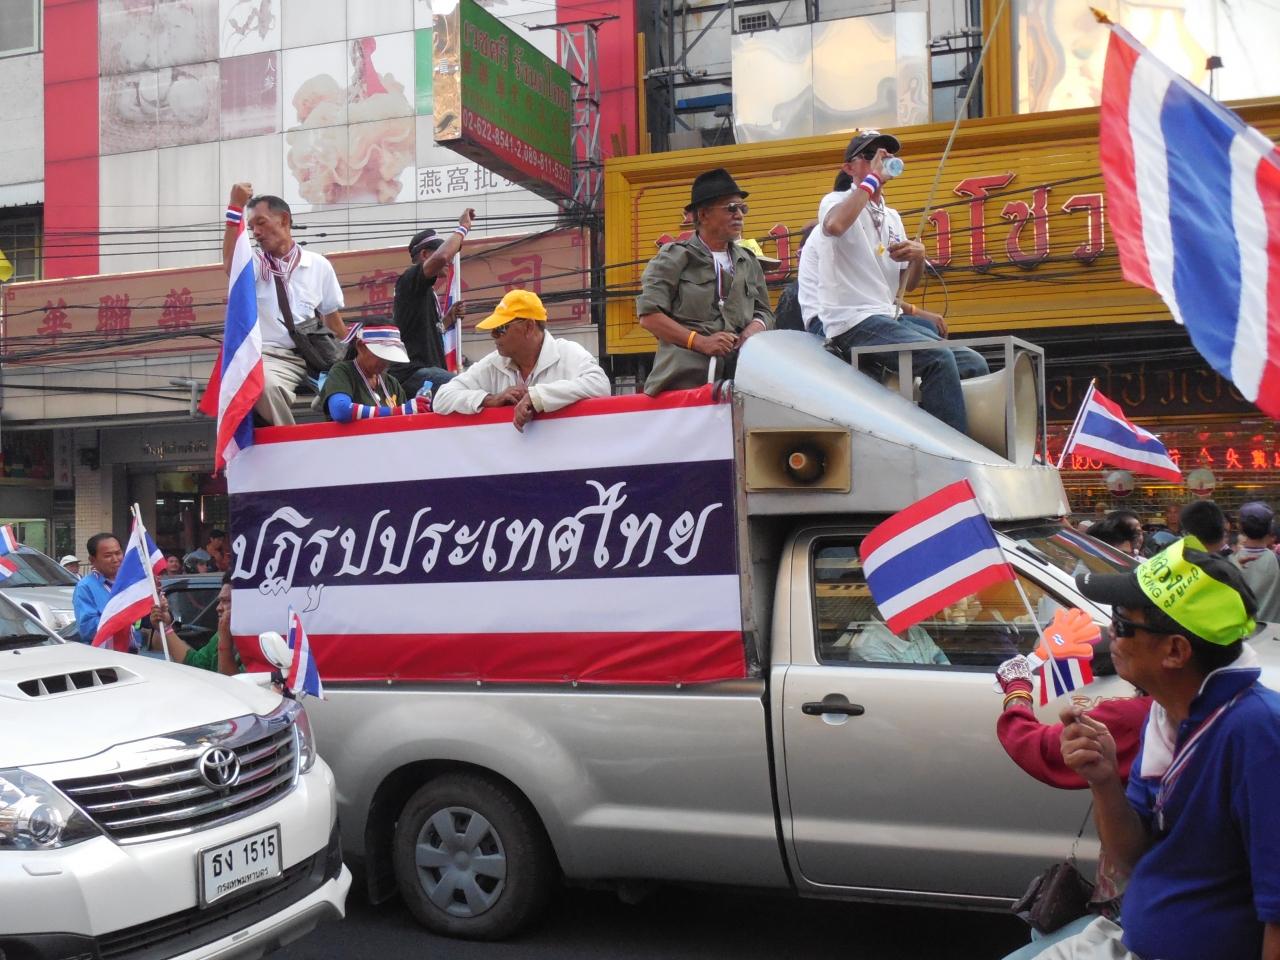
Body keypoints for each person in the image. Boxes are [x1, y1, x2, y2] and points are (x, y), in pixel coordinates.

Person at [1035, 536, 1280, 960]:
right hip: (1131, 935)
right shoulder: (1167, 715)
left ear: (1175, 651)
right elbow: (1132, 858)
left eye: (1123, 624)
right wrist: (1103, 780)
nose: (1110, 633)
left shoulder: (1258, 732)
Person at [813, 130, 969, 433]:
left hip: (886, 317)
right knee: (938, 358)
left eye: (885, 154)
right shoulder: (835, 200)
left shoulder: (892, 216)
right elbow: (835, 225)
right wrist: (871, 179)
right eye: (869, 155)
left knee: (971, 362)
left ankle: (955, 433)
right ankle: (951, 450)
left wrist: (918, 256)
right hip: (852, 321)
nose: (880, 160)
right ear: (848, 168)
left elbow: (907, 286)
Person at [636, 167, 773, 394]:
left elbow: (765, 312)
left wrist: (753, 329)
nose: (739, 215)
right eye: (731, 208)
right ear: (703, 215)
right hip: (684, 382)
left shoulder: (748, 261)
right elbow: (649, 317)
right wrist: (700, 342)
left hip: (739, 380)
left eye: (743, 208)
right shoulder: (674, 257)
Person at [223, 182, 346, 425]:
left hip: (317, 354)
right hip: (273, 356)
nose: (256, 232)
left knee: (355, 390)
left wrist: (352, 358)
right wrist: (235, 207)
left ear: (284, 220)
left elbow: (333, 321)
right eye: (251, 227)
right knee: (263, 386)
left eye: (261, 222)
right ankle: (289, 437)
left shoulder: (318, 264)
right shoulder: (255, 264)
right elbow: (231, 266)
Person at [432, 290, 609, 431]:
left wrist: (537, 397)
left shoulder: (567, 353)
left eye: (501, 328)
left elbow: (600, 384)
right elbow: (442, 398)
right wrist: (490, 399)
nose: (493, 335)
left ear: (529, 327)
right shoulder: (493, 363)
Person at [388, 212, 474, 396]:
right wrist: (463, 228)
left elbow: (428, 331)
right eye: (439, 251)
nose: (449, 260)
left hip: (426, 372)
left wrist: (448, 319)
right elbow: (442, 257)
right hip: (413, 373)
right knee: (467, 389)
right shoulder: (409, 280)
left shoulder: (424, 291)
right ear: (425, 254)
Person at [320, 324, 431, 423]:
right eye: (381, 355)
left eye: (390, 356)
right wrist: (395, 412)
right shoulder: (343, 372)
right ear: (361, 347)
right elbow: (340, 410)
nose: (386, 362)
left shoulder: (392, 383)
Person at [72, 533, 164, 650]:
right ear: (92, 560)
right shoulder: (85, 587)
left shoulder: (132, 583)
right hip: (107, 655)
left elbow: (145, 622)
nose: (115, 559)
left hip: (140, 653)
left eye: (118, 553)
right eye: (108, 555)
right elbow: (87, 629)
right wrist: (121, 617)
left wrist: (156, 604)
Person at [159, 573, 242, 675]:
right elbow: (196, 664)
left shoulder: (256, 642)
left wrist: (224, 642)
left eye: (226, 601)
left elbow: (232, 682)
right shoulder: (219, 636)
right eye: (220, 601)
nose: (218, 608)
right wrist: (166, 627)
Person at [1232, 501, 1280, 623]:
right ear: (1270, 528)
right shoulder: (1276, 560)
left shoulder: (1230, 562)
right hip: (1274, 630)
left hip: (1243, 631)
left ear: (1240, 527)